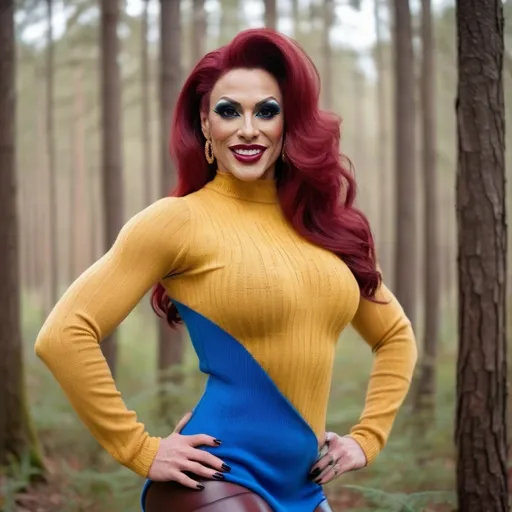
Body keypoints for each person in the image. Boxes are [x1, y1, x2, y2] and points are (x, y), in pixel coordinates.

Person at [35, 28, 417, 512]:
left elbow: (396, 337)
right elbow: (64, 333)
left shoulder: (328, 227)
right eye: (229, 110)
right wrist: (139, 448)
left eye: (267, 111)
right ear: (205, 123)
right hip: (217, 475)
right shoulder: (177, 221)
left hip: (305, 487)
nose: (248, 128)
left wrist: (368, 438)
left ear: (289, 122)